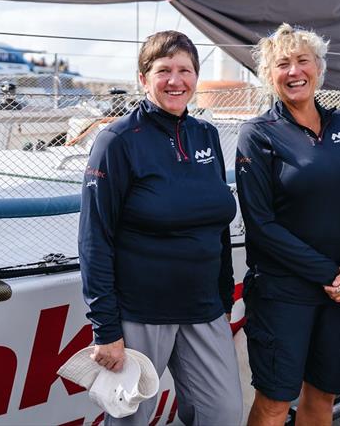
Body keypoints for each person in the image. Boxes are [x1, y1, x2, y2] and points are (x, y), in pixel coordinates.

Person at [78, 31, 242, 425]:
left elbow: (216, 222)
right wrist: (105, 327)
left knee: (223, 414)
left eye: (185, 70)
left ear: (195, 77)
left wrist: (223, 296)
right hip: (140, 313)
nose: (175, 80)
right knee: (130, 419)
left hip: (203, 309)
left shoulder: (206, 134)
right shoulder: (117, 140)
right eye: (163, 70)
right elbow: (94, 238)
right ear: (143, 78)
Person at [236, 23, 340, 426]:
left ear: (319, 68)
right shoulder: (257, 135)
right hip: (284, 292)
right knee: (275, 402)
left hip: (339, 293)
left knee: (323, 395)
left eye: (302, 61)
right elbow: (260, 225)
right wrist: (331, 273)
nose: (294, 71)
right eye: (282, 64)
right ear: (269, 75)